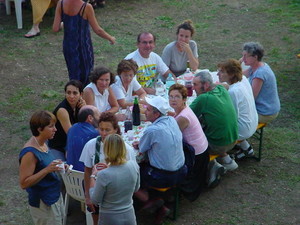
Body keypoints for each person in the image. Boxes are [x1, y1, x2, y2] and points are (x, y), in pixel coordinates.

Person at [133, 96, 187, 225]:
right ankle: (158, 198)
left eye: (148, 109)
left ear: (156, 114)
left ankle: (151, 201)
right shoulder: (172, 120)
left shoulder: (152, 130)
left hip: (163, 177)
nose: (145, 111)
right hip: (182, 170)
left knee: (130, 174)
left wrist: (138, 144)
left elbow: (141, 148)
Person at [79, 112, 136, 225]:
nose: (103, 133)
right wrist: (87, 196)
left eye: (107, 130)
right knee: (96, 219)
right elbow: (87, 171)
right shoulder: (91, 145)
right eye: (101, 129)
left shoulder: (126, 149)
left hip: (115, 193)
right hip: (95, 187)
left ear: (115, 130)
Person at [190, 71, 238, 187]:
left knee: (192, 138)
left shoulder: (204, 99)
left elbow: (185, 115)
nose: (193, 88)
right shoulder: (221, 90)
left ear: (206, 85)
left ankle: (212, 167)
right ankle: (227, 160)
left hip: (218, 144)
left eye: (195, 84)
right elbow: (225, 85)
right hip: (234, 139)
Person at [52, 0, 116, 87]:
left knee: (73, 73)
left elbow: (55, 28)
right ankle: (84, 97)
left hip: (68, 47)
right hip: (83, 48)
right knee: (86, 75)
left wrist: (66, 23)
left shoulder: (61, 3)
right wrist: (110, 38)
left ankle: (74, 94)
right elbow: (97, 30)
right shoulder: (86, 7)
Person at [19, 110, 65, 225]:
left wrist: (59, 166)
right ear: (39, 129)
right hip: (43, 203)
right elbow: (24, 183)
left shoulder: (44, 143)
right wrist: (47, 170)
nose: (55, 129)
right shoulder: (29, 153)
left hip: (55, 197)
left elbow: (46, 164)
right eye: (51, 126)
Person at [168, 83, 209, 201]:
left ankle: (171, 192)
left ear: (184, 99)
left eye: (177, 97)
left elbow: (170, 137)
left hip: (196, 155)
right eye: (171, 96)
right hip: (202, 148)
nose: (173, 100)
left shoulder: (183, 117)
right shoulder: (184, 109)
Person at [89, 134, 140, 225]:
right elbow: (136, 188)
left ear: (106, 150)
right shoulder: (134, 166)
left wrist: (92, 177)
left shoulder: (103, 175)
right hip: (129, 214)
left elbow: (95, 200)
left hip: (109, 217)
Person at [217, 59, 258, 157]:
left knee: (213, 125)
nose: (218, 74)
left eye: (222, 72)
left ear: (231, 75)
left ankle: (226, 158)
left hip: (244, 129)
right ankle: (246, 148)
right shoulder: (243, 79)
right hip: (253, 121)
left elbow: (232, 119)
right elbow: (228, 86)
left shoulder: (233, 92)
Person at [242, 42, 280, 123]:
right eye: (243, 55)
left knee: (234, 116)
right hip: (264, 108)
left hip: (265, 112)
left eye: (246, 56)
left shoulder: (260, 74)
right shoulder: (256, 66)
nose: (243, 59)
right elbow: (240, 75)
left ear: (255, 57)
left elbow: (251, 98)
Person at [48, 80, 86, 161]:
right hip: (58, 146)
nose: (71, 96)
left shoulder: (80, 105)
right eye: (68, 93)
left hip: (69, 143)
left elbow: (88, 123)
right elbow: (71, 134)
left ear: (81, 94)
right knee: (62, 170)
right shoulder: (62, 110)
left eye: (75, 93)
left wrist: (84, 108)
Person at [66, 105, 100, 171]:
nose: (100, 118)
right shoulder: (95, 134)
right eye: (98, 115)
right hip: (87, 176)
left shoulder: (72, 128)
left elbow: (67, 153)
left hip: (70, 175)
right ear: (90, 118)